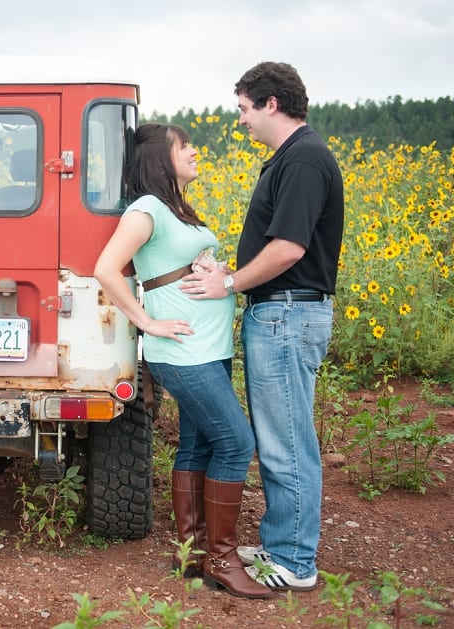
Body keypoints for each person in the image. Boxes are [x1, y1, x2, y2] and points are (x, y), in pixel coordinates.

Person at [183, 62, 344, 592]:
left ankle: (295, 560)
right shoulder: (291, 159)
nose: (243, 121)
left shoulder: (303, 160)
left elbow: (288, 249)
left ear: (271, 103)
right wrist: (231, 271)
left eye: (245, 109)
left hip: (287, 313)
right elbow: (278, 250)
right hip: (282, 310)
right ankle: (282, 543)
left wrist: (229, 285)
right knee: (280, 436)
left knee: (285, 441)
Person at [94, 123, 271, 599]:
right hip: (184, 351)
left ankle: (191, 554)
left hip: (210, 348)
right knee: (235, 444)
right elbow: (106, 269)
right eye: (184, 145)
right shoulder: (146, 209)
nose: (194, 151)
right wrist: (147, 323)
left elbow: (179, 267)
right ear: (160, 158)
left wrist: (220, 271)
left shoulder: (175, 209)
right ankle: (223, 559)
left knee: (197, 448)